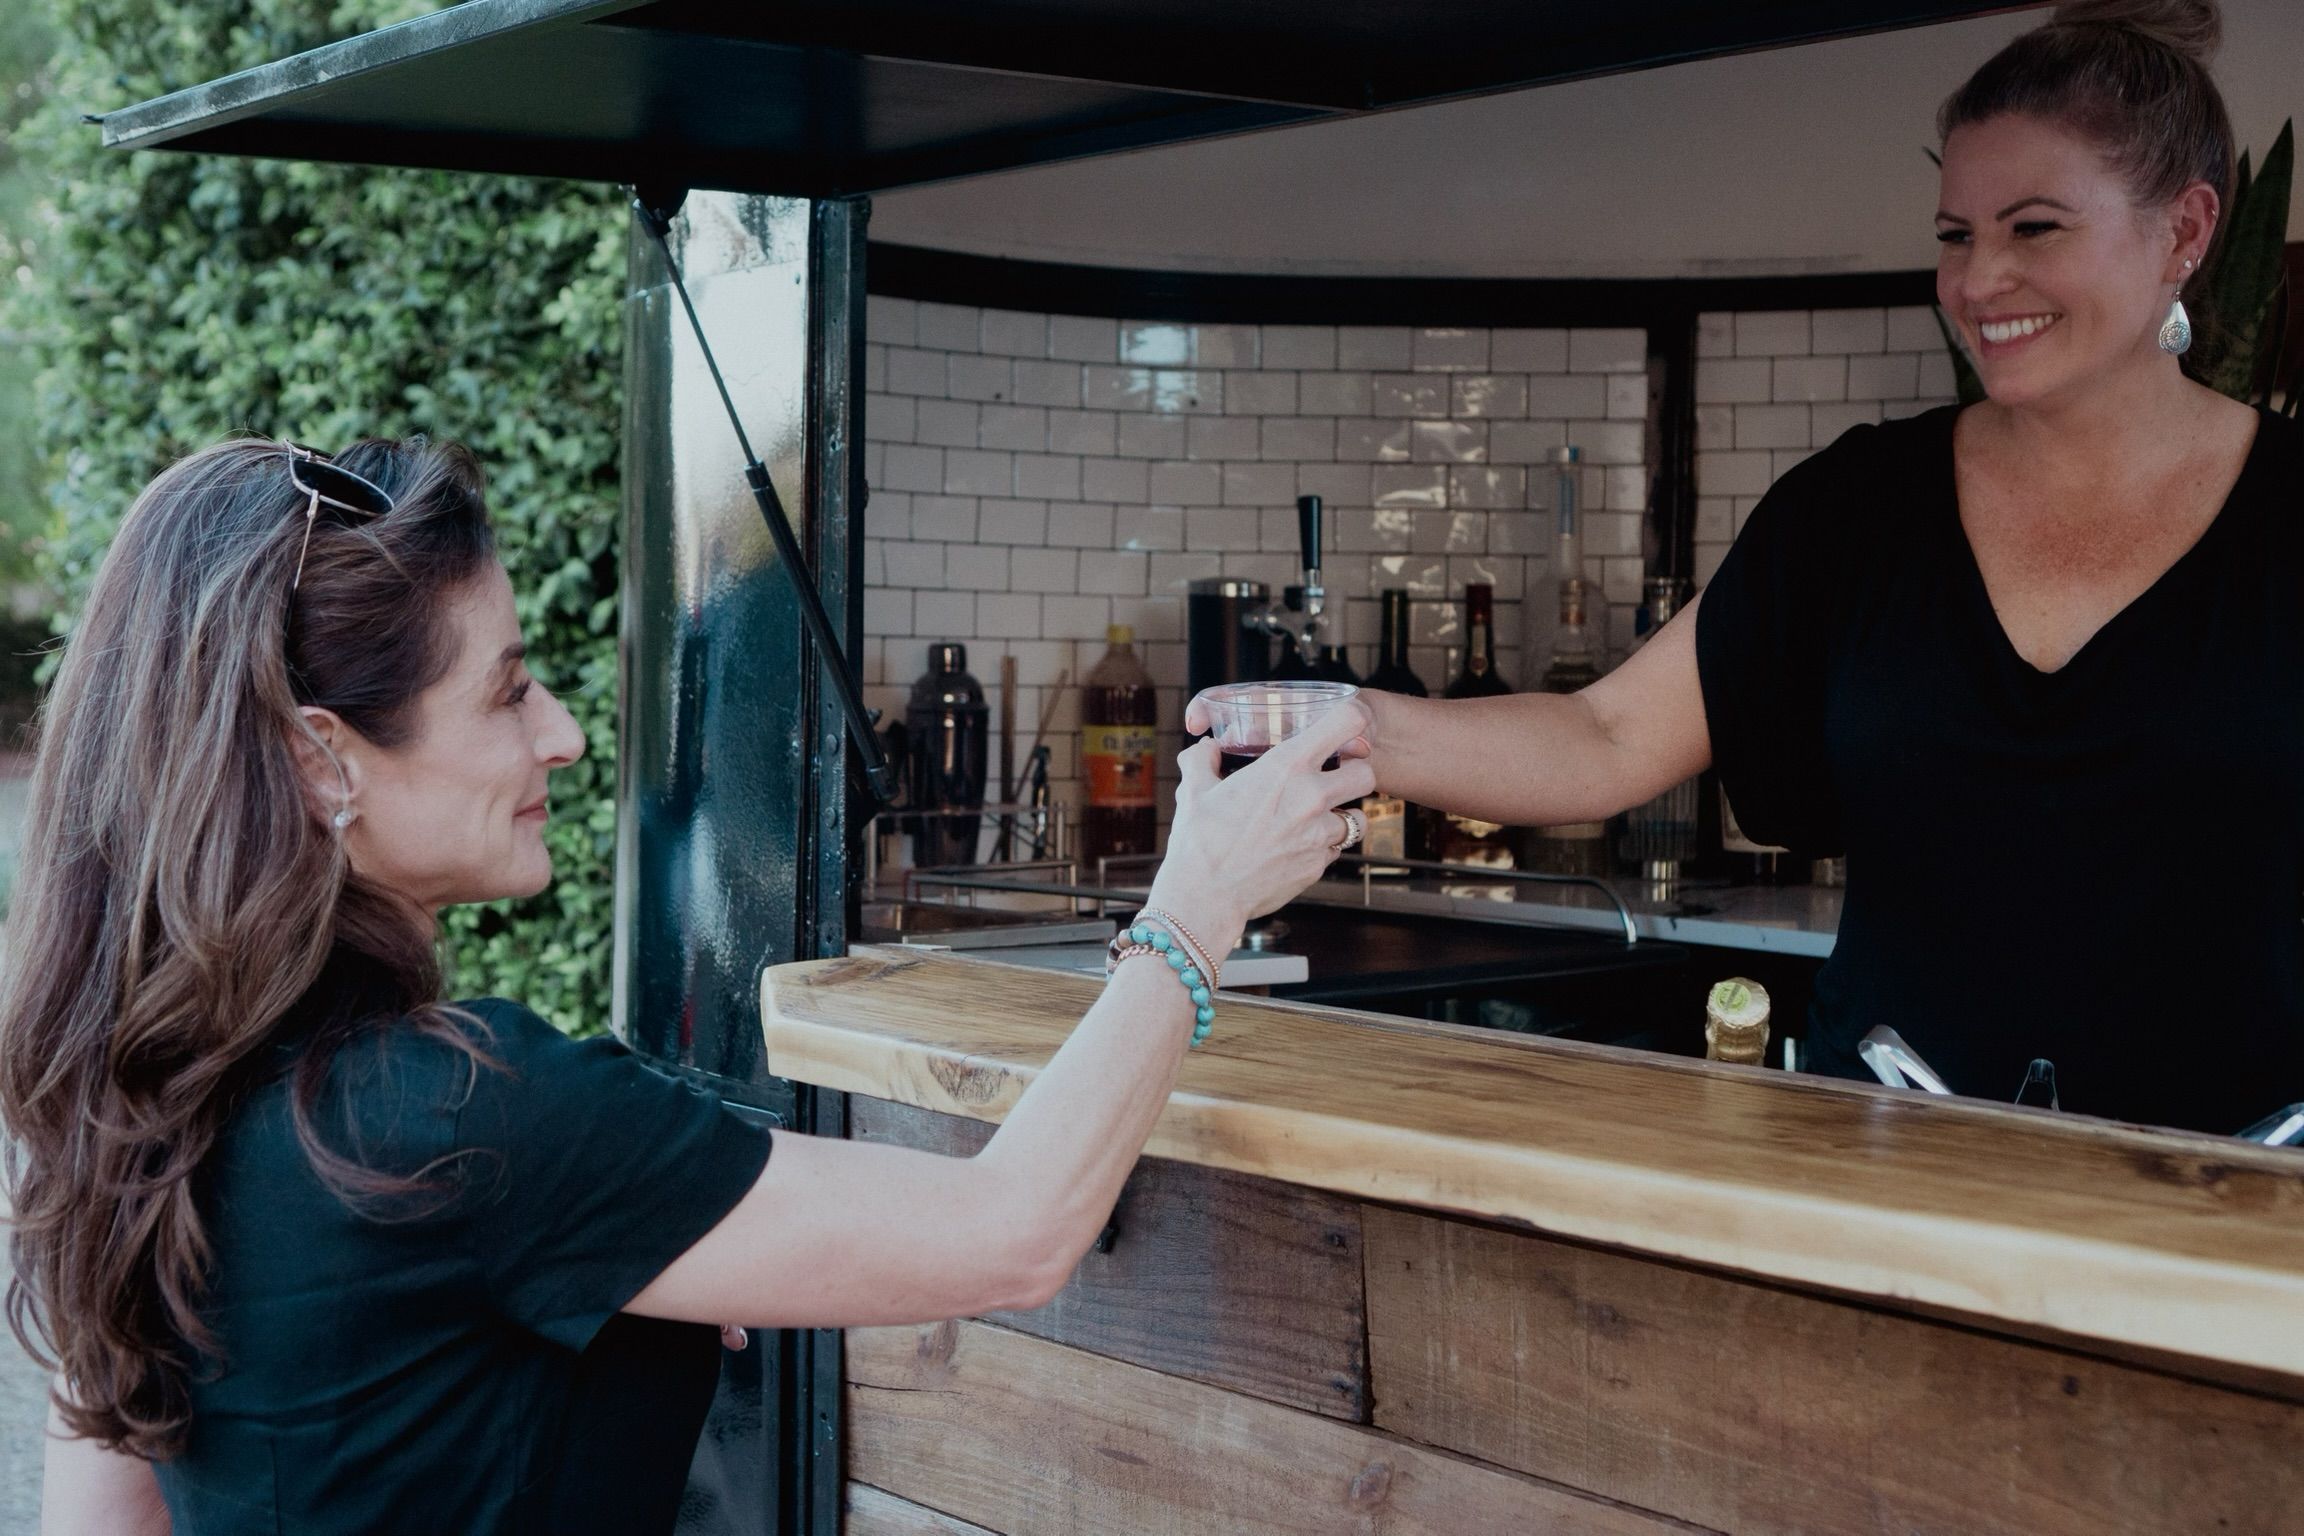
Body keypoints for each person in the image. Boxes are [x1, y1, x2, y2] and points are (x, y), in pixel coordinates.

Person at [4, 436, 1374, 1534]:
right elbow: (1010, 1230)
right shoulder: (461, 1118)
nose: (566, 732)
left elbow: (109, 1515)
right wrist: (1197, 909)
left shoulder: (146, 1092)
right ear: (322, 762)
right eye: (509, 692)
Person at [1274, 0, 2304, 1134]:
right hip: (1889, 1175)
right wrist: (1344, 724)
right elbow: (1609, 736)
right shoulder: (1857, 508)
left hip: (2238, 1211)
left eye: (2036, 228)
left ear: (2186, 232)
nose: (1979, 280)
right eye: (1957, 234)